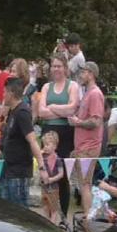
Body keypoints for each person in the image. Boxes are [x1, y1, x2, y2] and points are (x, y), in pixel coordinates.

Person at [38, 54, 80, 216]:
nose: (56, 69)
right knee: (47, 173)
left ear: (65, 68)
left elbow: (72, 109)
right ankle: (48, 213)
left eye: (59, 66)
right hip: (48, 132)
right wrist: (61, 110)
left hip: (65, 134)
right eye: (54, 66)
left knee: (62, 176)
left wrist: (53, 106)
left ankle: (62, 213)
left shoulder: (72, 86)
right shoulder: (46, 87)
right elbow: (41, 112)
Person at [0, 77, 48, 207]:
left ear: (11, 93)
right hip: (8, 168)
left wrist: (42, 167)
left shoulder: (22, 112)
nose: (2, 95)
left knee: (18, 211)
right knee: (4, 209)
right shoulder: (12, 111)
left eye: (4, 92)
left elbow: (33, 141)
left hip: (18, 171)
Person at [68, 62, 105, 217]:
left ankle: (87, 218)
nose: (80, 76)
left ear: (90, 73)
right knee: (83, 184)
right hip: (82, 146)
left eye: (82, 72)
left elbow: (96, 121)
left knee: (85, 184)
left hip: (89, 146)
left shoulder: (95, 94)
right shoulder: (87, 93)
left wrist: (78, 122)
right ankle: (87, 216)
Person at [40, 132, 65, 225]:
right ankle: (47, 224)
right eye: (44, 145)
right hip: (44, 187)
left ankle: (53, 225)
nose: (45, 147)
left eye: (47, 145)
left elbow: (61, 174)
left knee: (54, 208)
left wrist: (52, 179)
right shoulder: (42, 157)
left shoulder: (57, 159)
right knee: (45, 207)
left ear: (54, 146)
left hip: (53, 188)